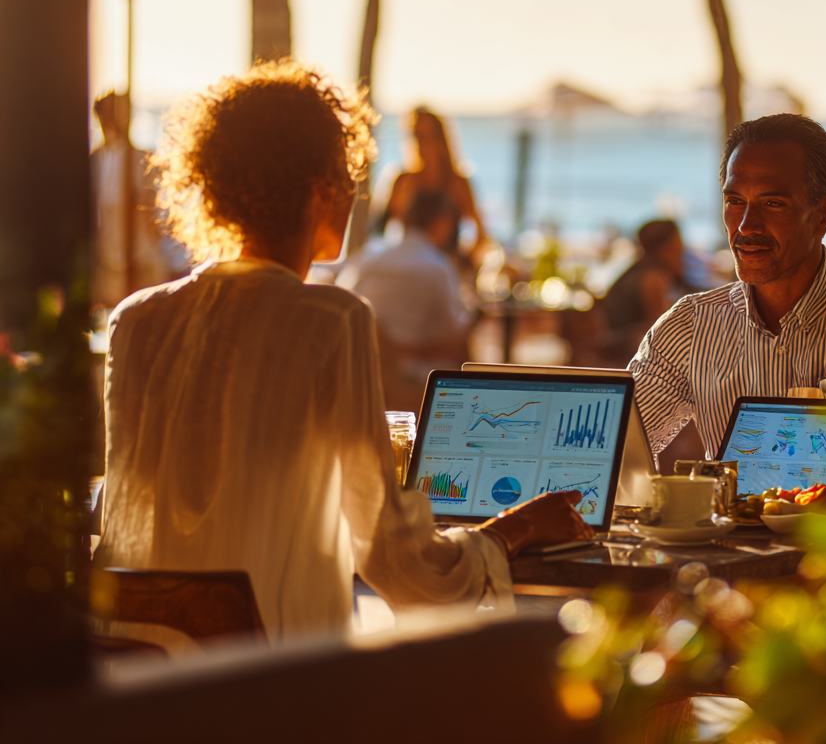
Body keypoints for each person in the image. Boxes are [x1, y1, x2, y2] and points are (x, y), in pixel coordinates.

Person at [95, 63, 590, 643]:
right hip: (277, 687)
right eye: (352, 174)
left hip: (146, 686)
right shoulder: (330, 321)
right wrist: (512, 529)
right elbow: (396, 562)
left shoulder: (136, 319)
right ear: (322, 189)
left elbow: (125, 509)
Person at [629, 114, 826, 466]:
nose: (745, 225)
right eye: (735, 201)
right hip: (724, 522)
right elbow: (613, 449)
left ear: (823, 216)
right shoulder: (689, 327)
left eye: (772, 204)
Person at [353, 190, 474, 366]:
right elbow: (454, 330)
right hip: (412, 372)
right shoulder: (438, 266)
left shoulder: (371, 257)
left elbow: (350, 301)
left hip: (366, 363)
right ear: (442, 222)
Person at [91, 91, 173, 308]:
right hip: (121, 262)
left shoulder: (124, 160)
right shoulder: (105, 160)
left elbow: (147, 211)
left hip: (133, 262)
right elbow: (148, 212)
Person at [382, 108, 484, 251]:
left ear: (440, 138)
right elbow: (381, 230)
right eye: (415, 135)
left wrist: (462, 263)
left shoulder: (457, 183)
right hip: (410, 262)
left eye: (427, 136)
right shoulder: (403, 181)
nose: (421, 143)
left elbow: (481, 233)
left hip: (444, 264)